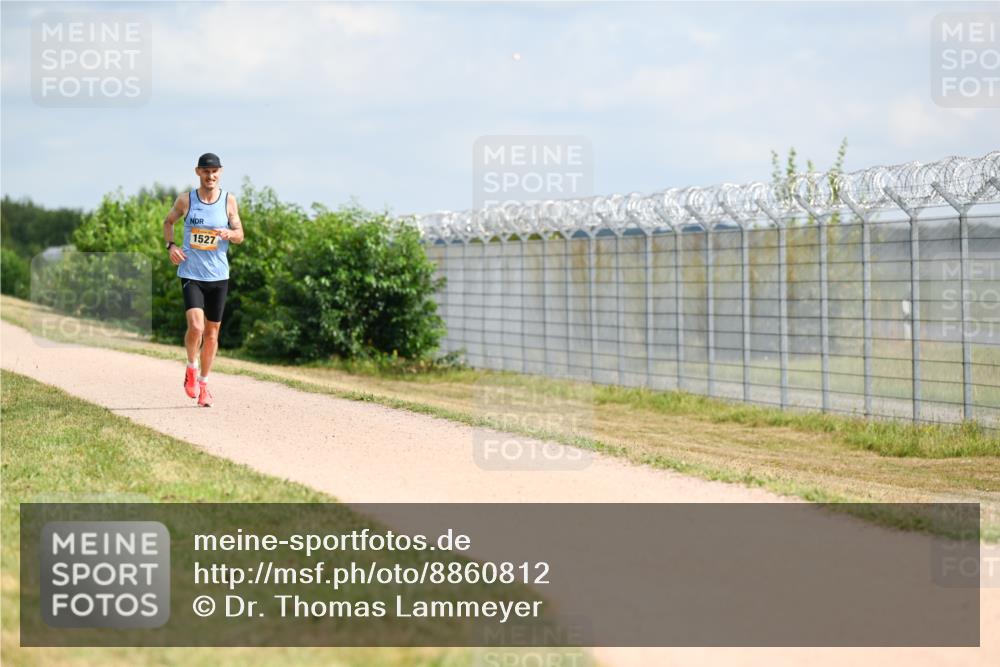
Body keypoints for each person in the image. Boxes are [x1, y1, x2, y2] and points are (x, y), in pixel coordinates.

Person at [162, 153, 244, 407]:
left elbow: (240, 235)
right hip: (191, 274)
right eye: (206, 172)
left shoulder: (229, 200)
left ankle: (205, 386)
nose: (211, 176)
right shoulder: (186, 200)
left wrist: (229, 233)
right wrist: (171, 246)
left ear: (221, 172)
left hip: (219, 276)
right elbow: (168, 222)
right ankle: (191, 368)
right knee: (196, 327)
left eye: (215, 171)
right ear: (198, 172)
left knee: (211, 335)